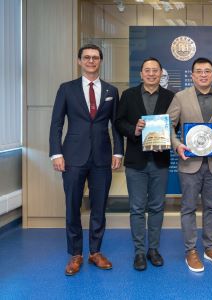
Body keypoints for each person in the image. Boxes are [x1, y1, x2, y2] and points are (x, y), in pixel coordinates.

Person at [49, 44, 124, 276]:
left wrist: (118, 152)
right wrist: (56, 153)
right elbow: (57, 123)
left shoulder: (112, 90)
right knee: (72, 205)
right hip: (72, 157)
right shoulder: (66, 89)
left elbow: (116, 125)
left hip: (102, 157)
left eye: (95, 57)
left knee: (99, 206)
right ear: (79, 61)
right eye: (87, 57)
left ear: (100, 61)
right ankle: (76, 254)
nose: (91, 61)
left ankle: (95, 252)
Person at [166, 57, 212, 273]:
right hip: (189, 164)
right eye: (199, 71)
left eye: (207, 71)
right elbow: (168, 126)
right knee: (188, 208)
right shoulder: (180, 97)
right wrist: (176, 145)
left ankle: (210, 248)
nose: (203, 75)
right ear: (192, 75)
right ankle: (191, 250)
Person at [115, 58, 175, 271]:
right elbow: (119, 122)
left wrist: (166, 138)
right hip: (136, 162)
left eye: (155, 70)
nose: (151, 74)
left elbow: (176, 125)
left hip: (160, 160)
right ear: (141, 74)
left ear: (161, 73)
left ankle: (154, 250)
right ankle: (139, 252)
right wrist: (135, 130)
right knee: (137, 208)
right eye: (147, 70)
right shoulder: (128, 95)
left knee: (157, 207)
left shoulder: (171, 97)